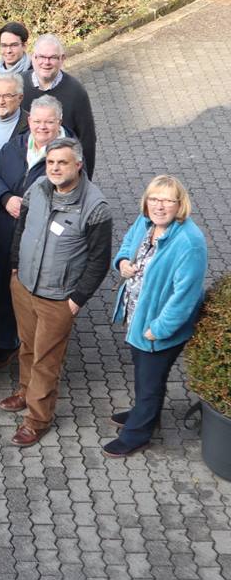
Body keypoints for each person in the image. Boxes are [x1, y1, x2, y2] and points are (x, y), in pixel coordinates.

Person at [0, 138, 112, 448]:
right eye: (51, 162)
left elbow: (99, 260)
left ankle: (37, 419)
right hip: (24, 285)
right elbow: (21, 227)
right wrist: (14, 268)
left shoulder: (95, 207)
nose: (55, 168)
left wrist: (77, 300)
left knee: (46, 361)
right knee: (26, 346)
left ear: (78, 164)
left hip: (58, 298)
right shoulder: (37, 187)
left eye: (62, 163)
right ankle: (25, 391)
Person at [105, 176, 208, 458]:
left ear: (180, 204)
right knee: (144, 373)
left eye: (167, 200)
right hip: (137, 317)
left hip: (157, 328)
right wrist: (123, 262)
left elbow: (184, 296)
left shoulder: (190, 242)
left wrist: (158, 329)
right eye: (154, 199)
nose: (159, 206)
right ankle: (143, 413)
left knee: (151, 380)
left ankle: (137, 435)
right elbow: (128, 244)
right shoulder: (145, 222)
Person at [0, 96, 68, 369]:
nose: (42, 127)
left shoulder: (68, 155)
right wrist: (6, 198)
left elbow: (72, 199)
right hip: (8, 231)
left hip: (41, 238)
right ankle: (8, 342)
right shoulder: (18, 144)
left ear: (59, 123)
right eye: (37, 121)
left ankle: (36, 350)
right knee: (8, 287)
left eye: (48, 122)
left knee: (37, 293)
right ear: (29, 120)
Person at [20, 34, 97, 177]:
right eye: (41, 57)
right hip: (23, 171)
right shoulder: (19, 86)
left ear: (62, 59)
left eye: (53, 58)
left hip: (61, 175)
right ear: (33, 58)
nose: (46, 62)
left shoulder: (76, 92)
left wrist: (85, 181)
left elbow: (86, 140)